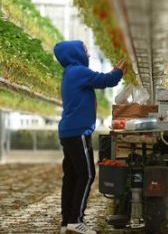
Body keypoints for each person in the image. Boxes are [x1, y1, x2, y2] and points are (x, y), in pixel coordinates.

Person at [54, 40, 127, 234]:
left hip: (70, 131)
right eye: (84, 50)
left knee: (71, 176)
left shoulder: (70, 72)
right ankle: (76, 220)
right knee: (87, 175)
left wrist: (113, 73)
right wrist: (119, 70)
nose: (87, 54)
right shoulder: (78, 71)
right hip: (78, 132)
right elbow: (106, 81)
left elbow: (101, 80)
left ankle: (66, 221)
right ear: (74, 53)